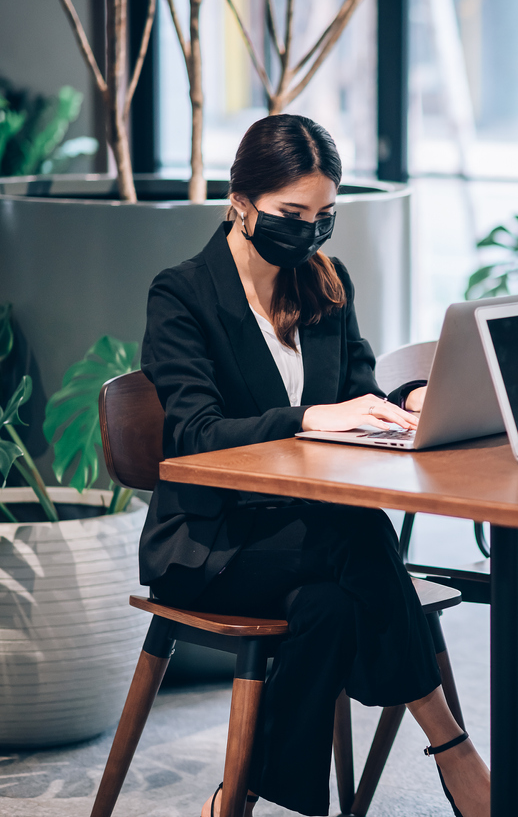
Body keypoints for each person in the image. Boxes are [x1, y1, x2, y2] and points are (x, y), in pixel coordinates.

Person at [140, 114, 489, 817]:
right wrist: (305, 418)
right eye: (291, 214)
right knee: (357, 534)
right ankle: (454, 747)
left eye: (324, 215)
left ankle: (240, 802)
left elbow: (358, 392)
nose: (307, 233)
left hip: (306, 545)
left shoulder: (325, 284)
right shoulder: (182, 294)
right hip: (212, 541)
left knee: (328, 608)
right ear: (240, 200)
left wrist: (409, 400)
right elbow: (194, 433)